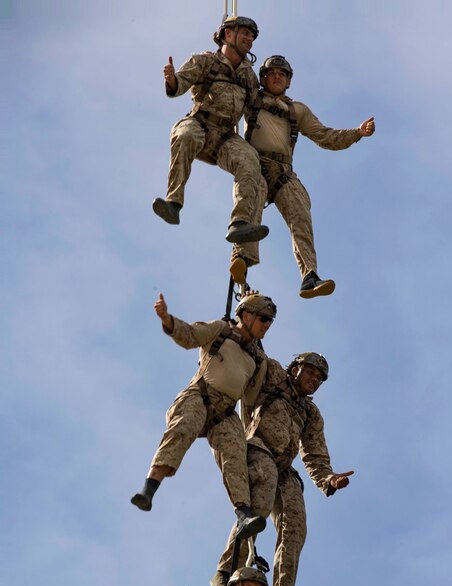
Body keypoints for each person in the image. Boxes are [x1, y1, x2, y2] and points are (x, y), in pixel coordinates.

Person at [210, 352, 353, 586]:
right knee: (260, 503)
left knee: (296, 524)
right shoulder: (273, 374)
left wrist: (329, 479)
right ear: (296, 368)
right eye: (311, 372)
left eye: (320, 379)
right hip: (259, 448)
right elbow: (250, 355)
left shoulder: (310, 413)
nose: (315, 380)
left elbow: (314, 454)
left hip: (285, 466)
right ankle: (228, 570)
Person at [131, 291, 276, 541]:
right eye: (263, 318)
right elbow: (189, 335)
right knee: (182, 430)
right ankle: (149, 489)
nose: (267, 325)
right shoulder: (221, 330)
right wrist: (167, 319)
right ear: (247, 315)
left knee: (235, 456)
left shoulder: (258, 359)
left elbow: (253, 398)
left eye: (270, 321)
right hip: (200, 396)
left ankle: (243, 513)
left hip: (225, 412)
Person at [228, 55, 376, 297]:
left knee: (301, 216)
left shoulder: (297, 110)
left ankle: (309, 276)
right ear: (263, 78)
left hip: (284, 172)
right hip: (255, 164)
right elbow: (230, 94)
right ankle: (242, 258)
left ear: (288, 81)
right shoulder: (251, 98)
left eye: (282, 74)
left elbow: (326, 136)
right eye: (272, 73)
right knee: (250, 201)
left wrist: (357, 133)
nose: (277, 77)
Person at [152, 15, 270, 245]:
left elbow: (255, 113)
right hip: (201, 123)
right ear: (228, 34)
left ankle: (240, 223)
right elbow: (179, 85)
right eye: (245, 33)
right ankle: (173, 203)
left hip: (226, 136)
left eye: (252, 36)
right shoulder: (205, 61)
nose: (250, 40)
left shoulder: (248, 76)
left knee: (249, 159)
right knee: (184, 135)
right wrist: (171, 80)